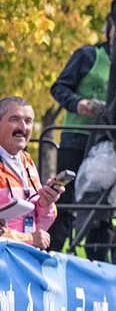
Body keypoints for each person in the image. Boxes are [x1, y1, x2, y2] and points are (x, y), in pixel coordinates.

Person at [47, 11, 116, 255]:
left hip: (109, 145)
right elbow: (59, 87)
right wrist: (78, 103)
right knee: (65, 202)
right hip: (77, 138)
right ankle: (51, 254)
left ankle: (99, 262)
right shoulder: (88, 55)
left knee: (103, 207)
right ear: (109, 31)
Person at [0, 96, 67, 250]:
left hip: (24, 258)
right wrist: (28, 239)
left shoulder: (27, 161)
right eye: (15, 119)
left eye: (28, 121)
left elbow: (41, 224)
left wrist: (45, 203)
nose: (22, 127)